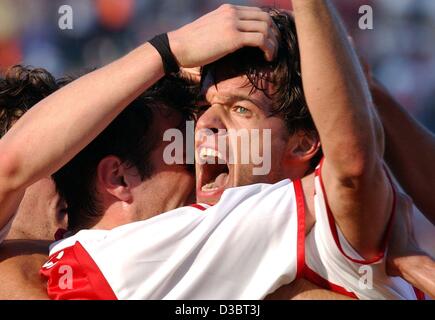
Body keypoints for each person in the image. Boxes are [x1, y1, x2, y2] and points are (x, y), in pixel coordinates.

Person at [0, 3, 428, 299]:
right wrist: (167, 52)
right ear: (118, 177)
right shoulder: (82, 261)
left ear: (304, 142)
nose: (201, 129)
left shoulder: (273, 223)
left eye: (238, 110)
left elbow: (352, 164)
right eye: (179, 149)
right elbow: (9, 166)